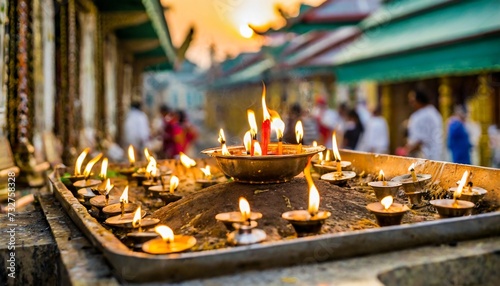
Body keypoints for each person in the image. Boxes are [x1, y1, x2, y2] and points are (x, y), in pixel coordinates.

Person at [403, 90, 443, 161]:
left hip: (424, 157)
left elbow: (418, 141)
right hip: (438, 154)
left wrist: (406, 151)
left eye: (412, 101)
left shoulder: (419, 116)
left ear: (419, 100)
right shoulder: (435, 113)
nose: (411, 104)